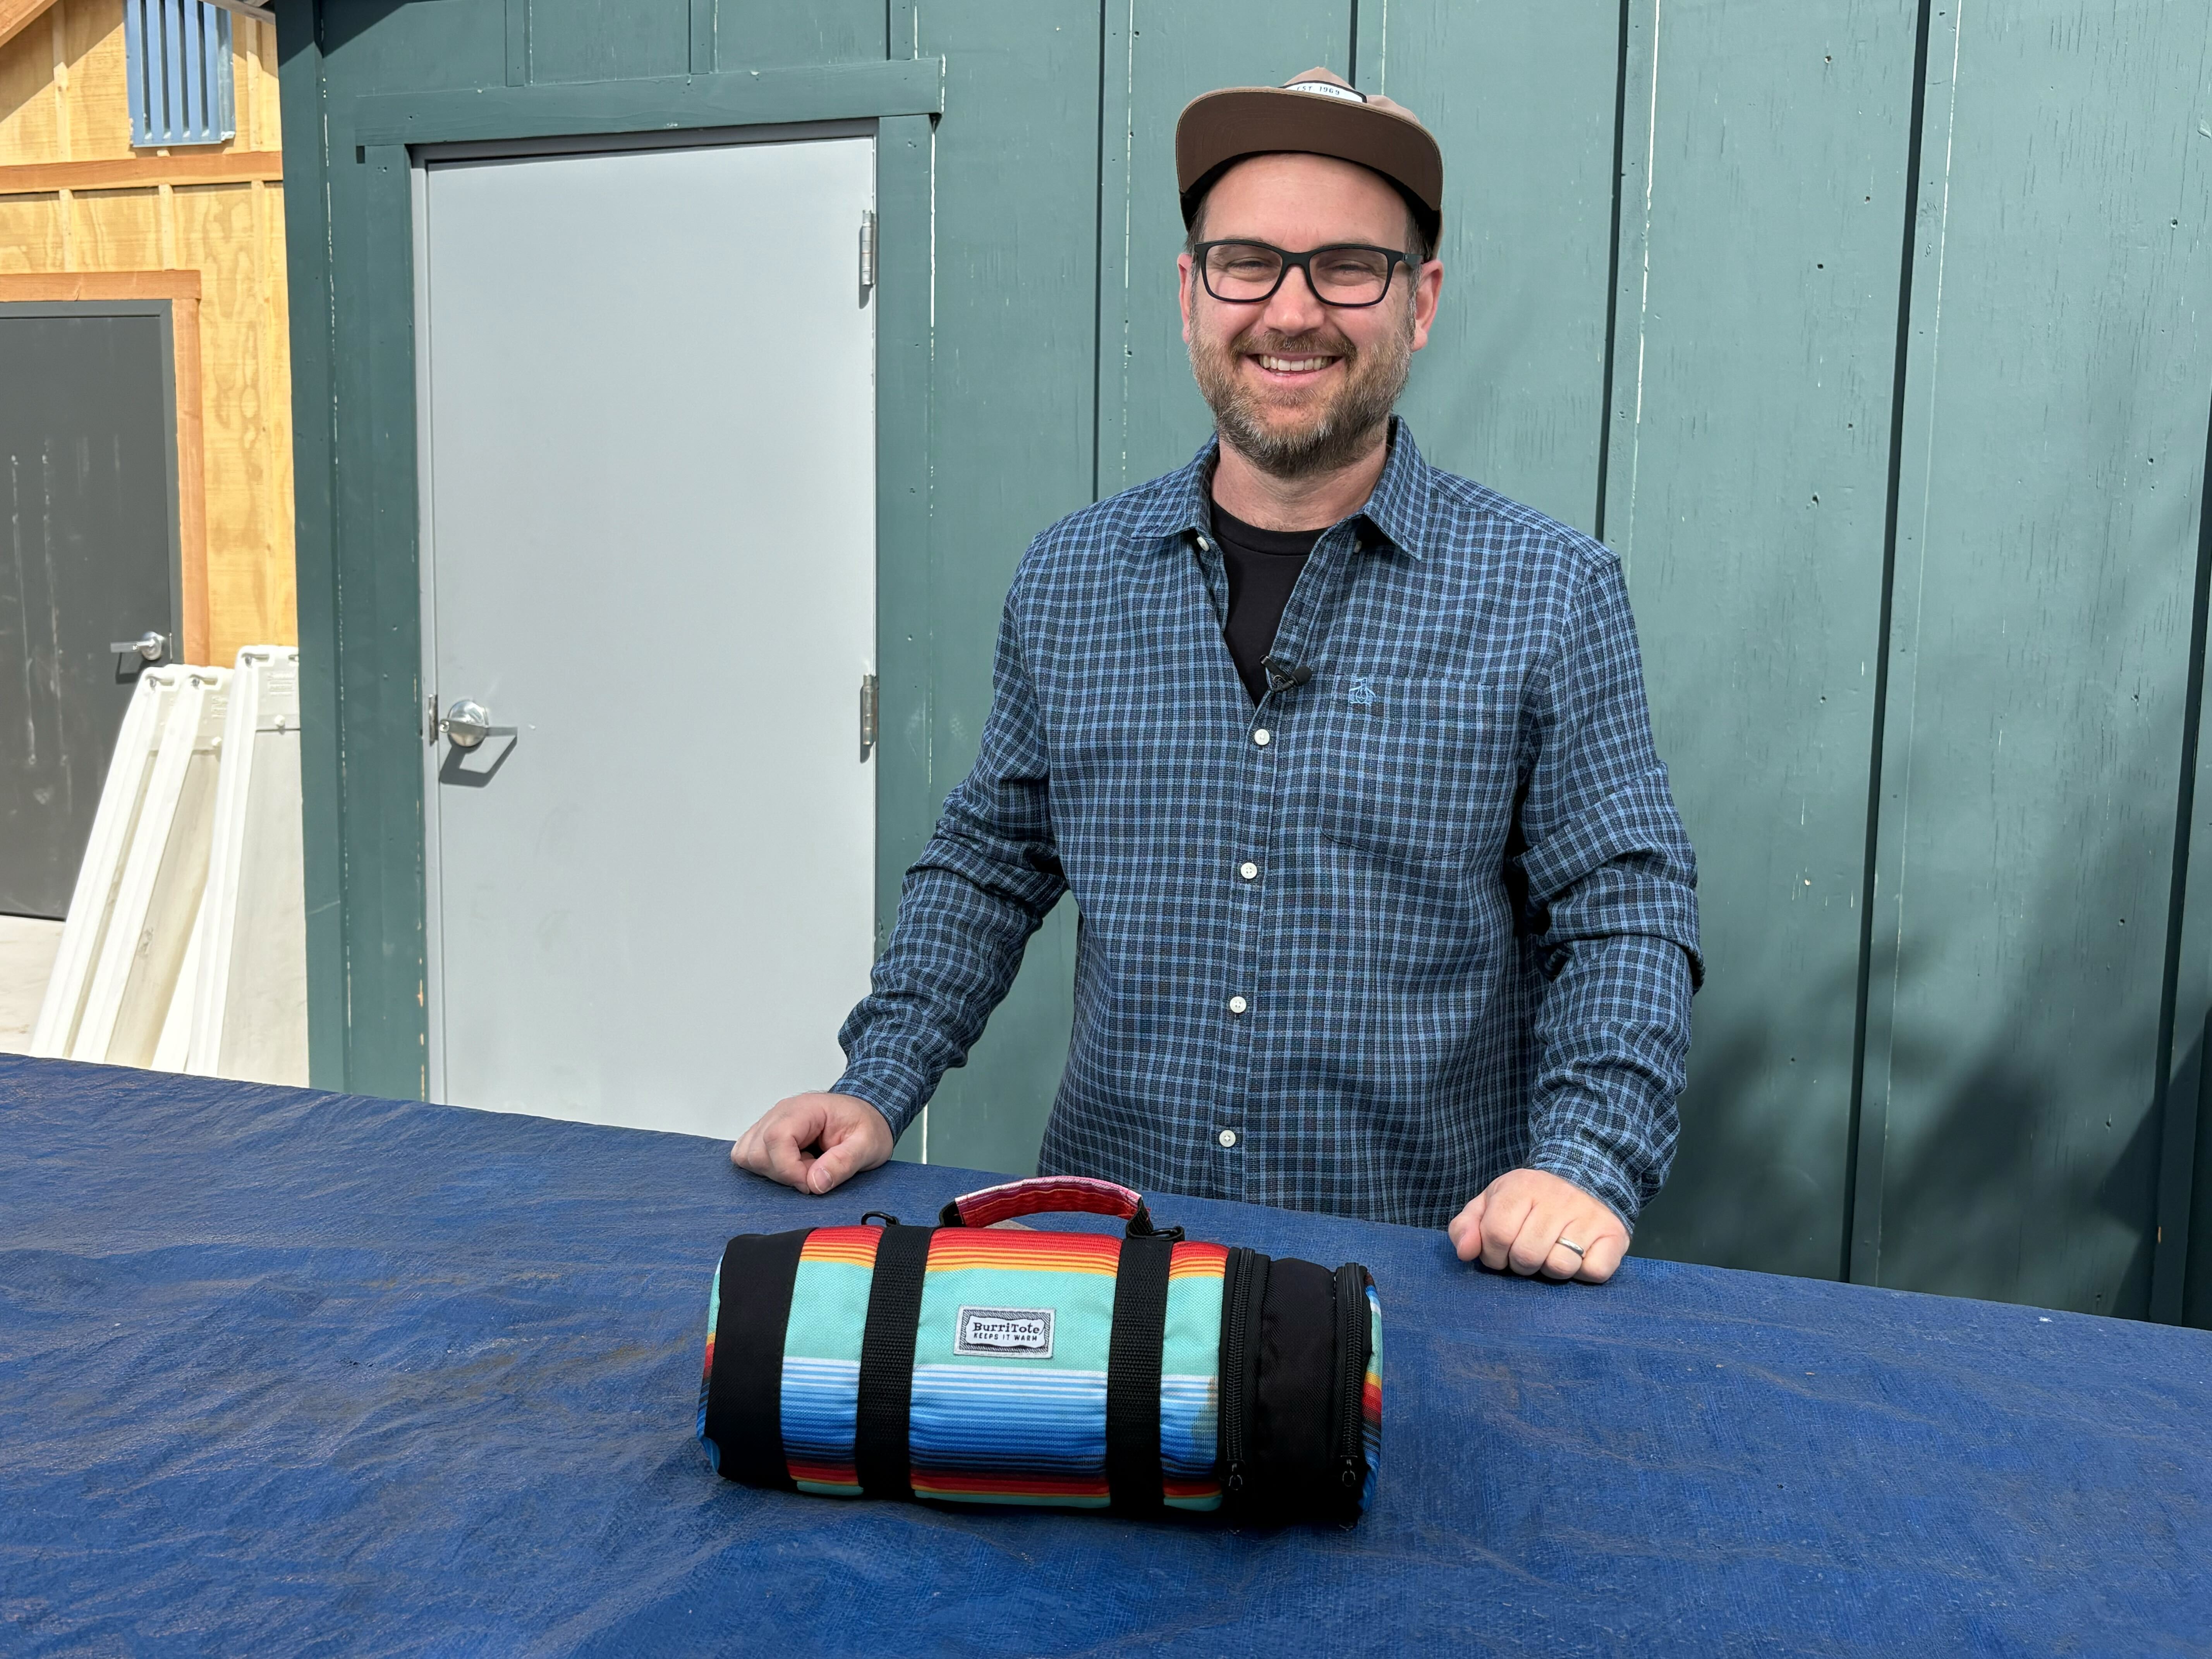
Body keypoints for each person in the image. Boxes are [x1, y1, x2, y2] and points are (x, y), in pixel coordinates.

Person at [733, 69, 1701, 1285]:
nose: (1291, 310)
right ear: (1192, 291)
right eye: (1247, 262)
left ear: (1422, 300)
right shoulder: (1073, 579)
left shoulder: (1549, 593)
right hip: (1107, 1270)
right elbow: (990, 862)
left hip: (1418, 1281)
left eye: (1348, 266)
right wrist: (874, 1084)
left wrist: (1586, 1160)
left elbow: (1623, 914)